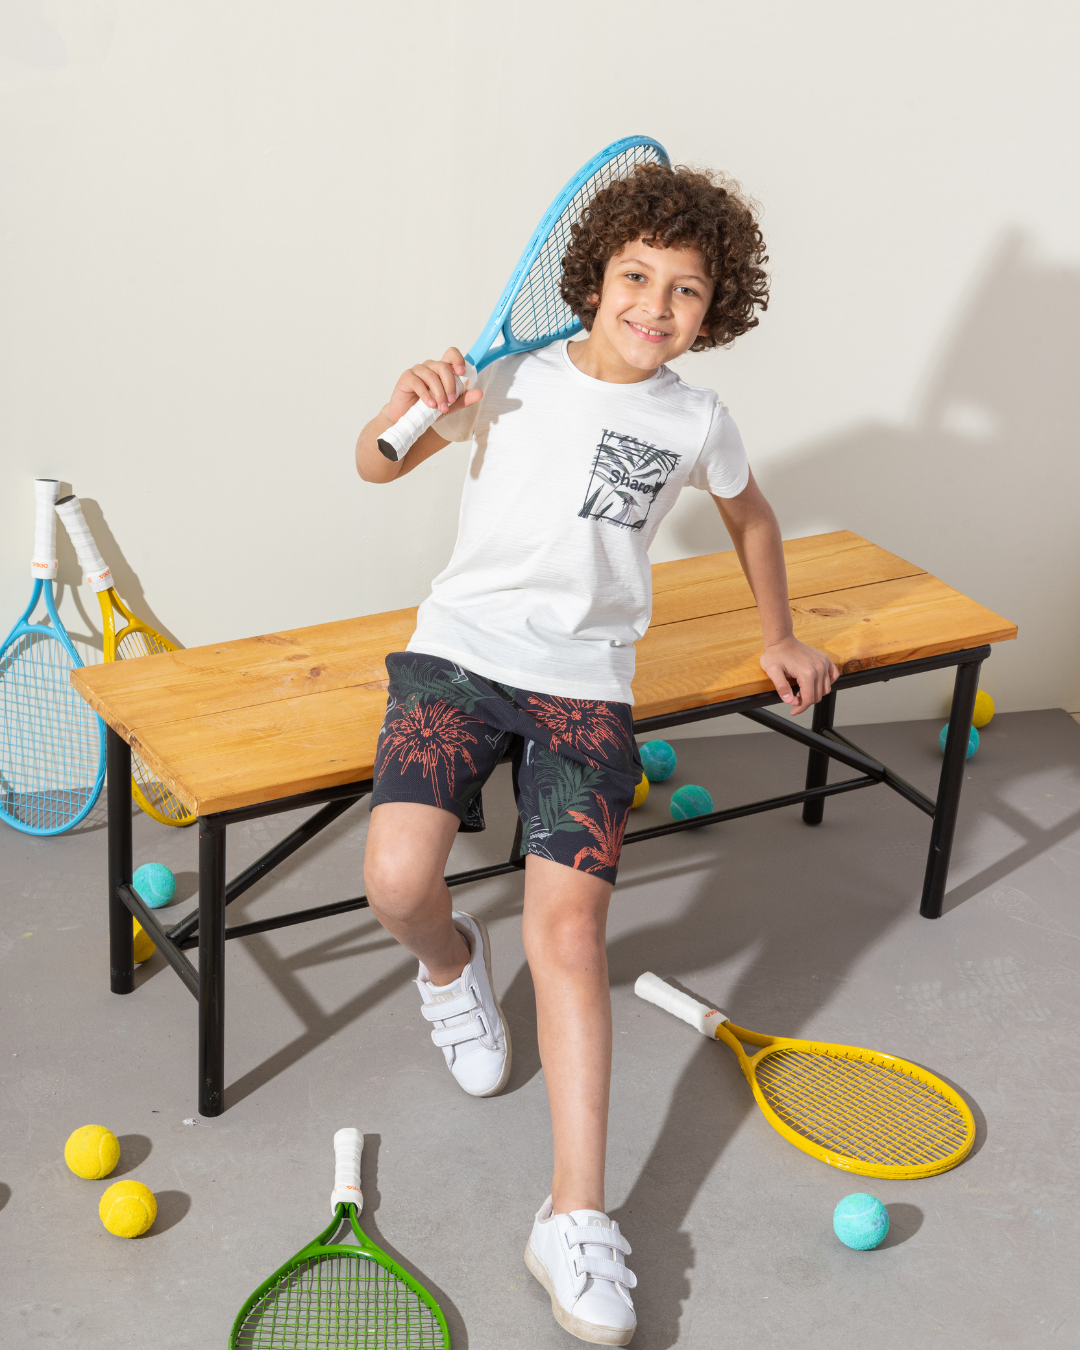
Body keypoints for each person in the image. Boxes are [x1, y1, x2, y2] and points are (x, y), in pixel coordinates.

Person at [354, 162, 837, 1345]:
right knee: (398, 883)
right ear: (592, 280)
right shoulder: (507, 380)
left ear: (714, 310)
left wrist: (779, 631)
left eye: (685, 289)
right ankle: (449, 967)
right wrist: (404, 403)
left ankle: (574, 1217)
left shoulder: (695, 420)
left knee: (569, 934)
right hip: (458, 657)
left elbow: (753, 516)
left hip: (585, 690)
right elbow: (376, 463)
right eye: (635, 276)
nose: (654, 305)